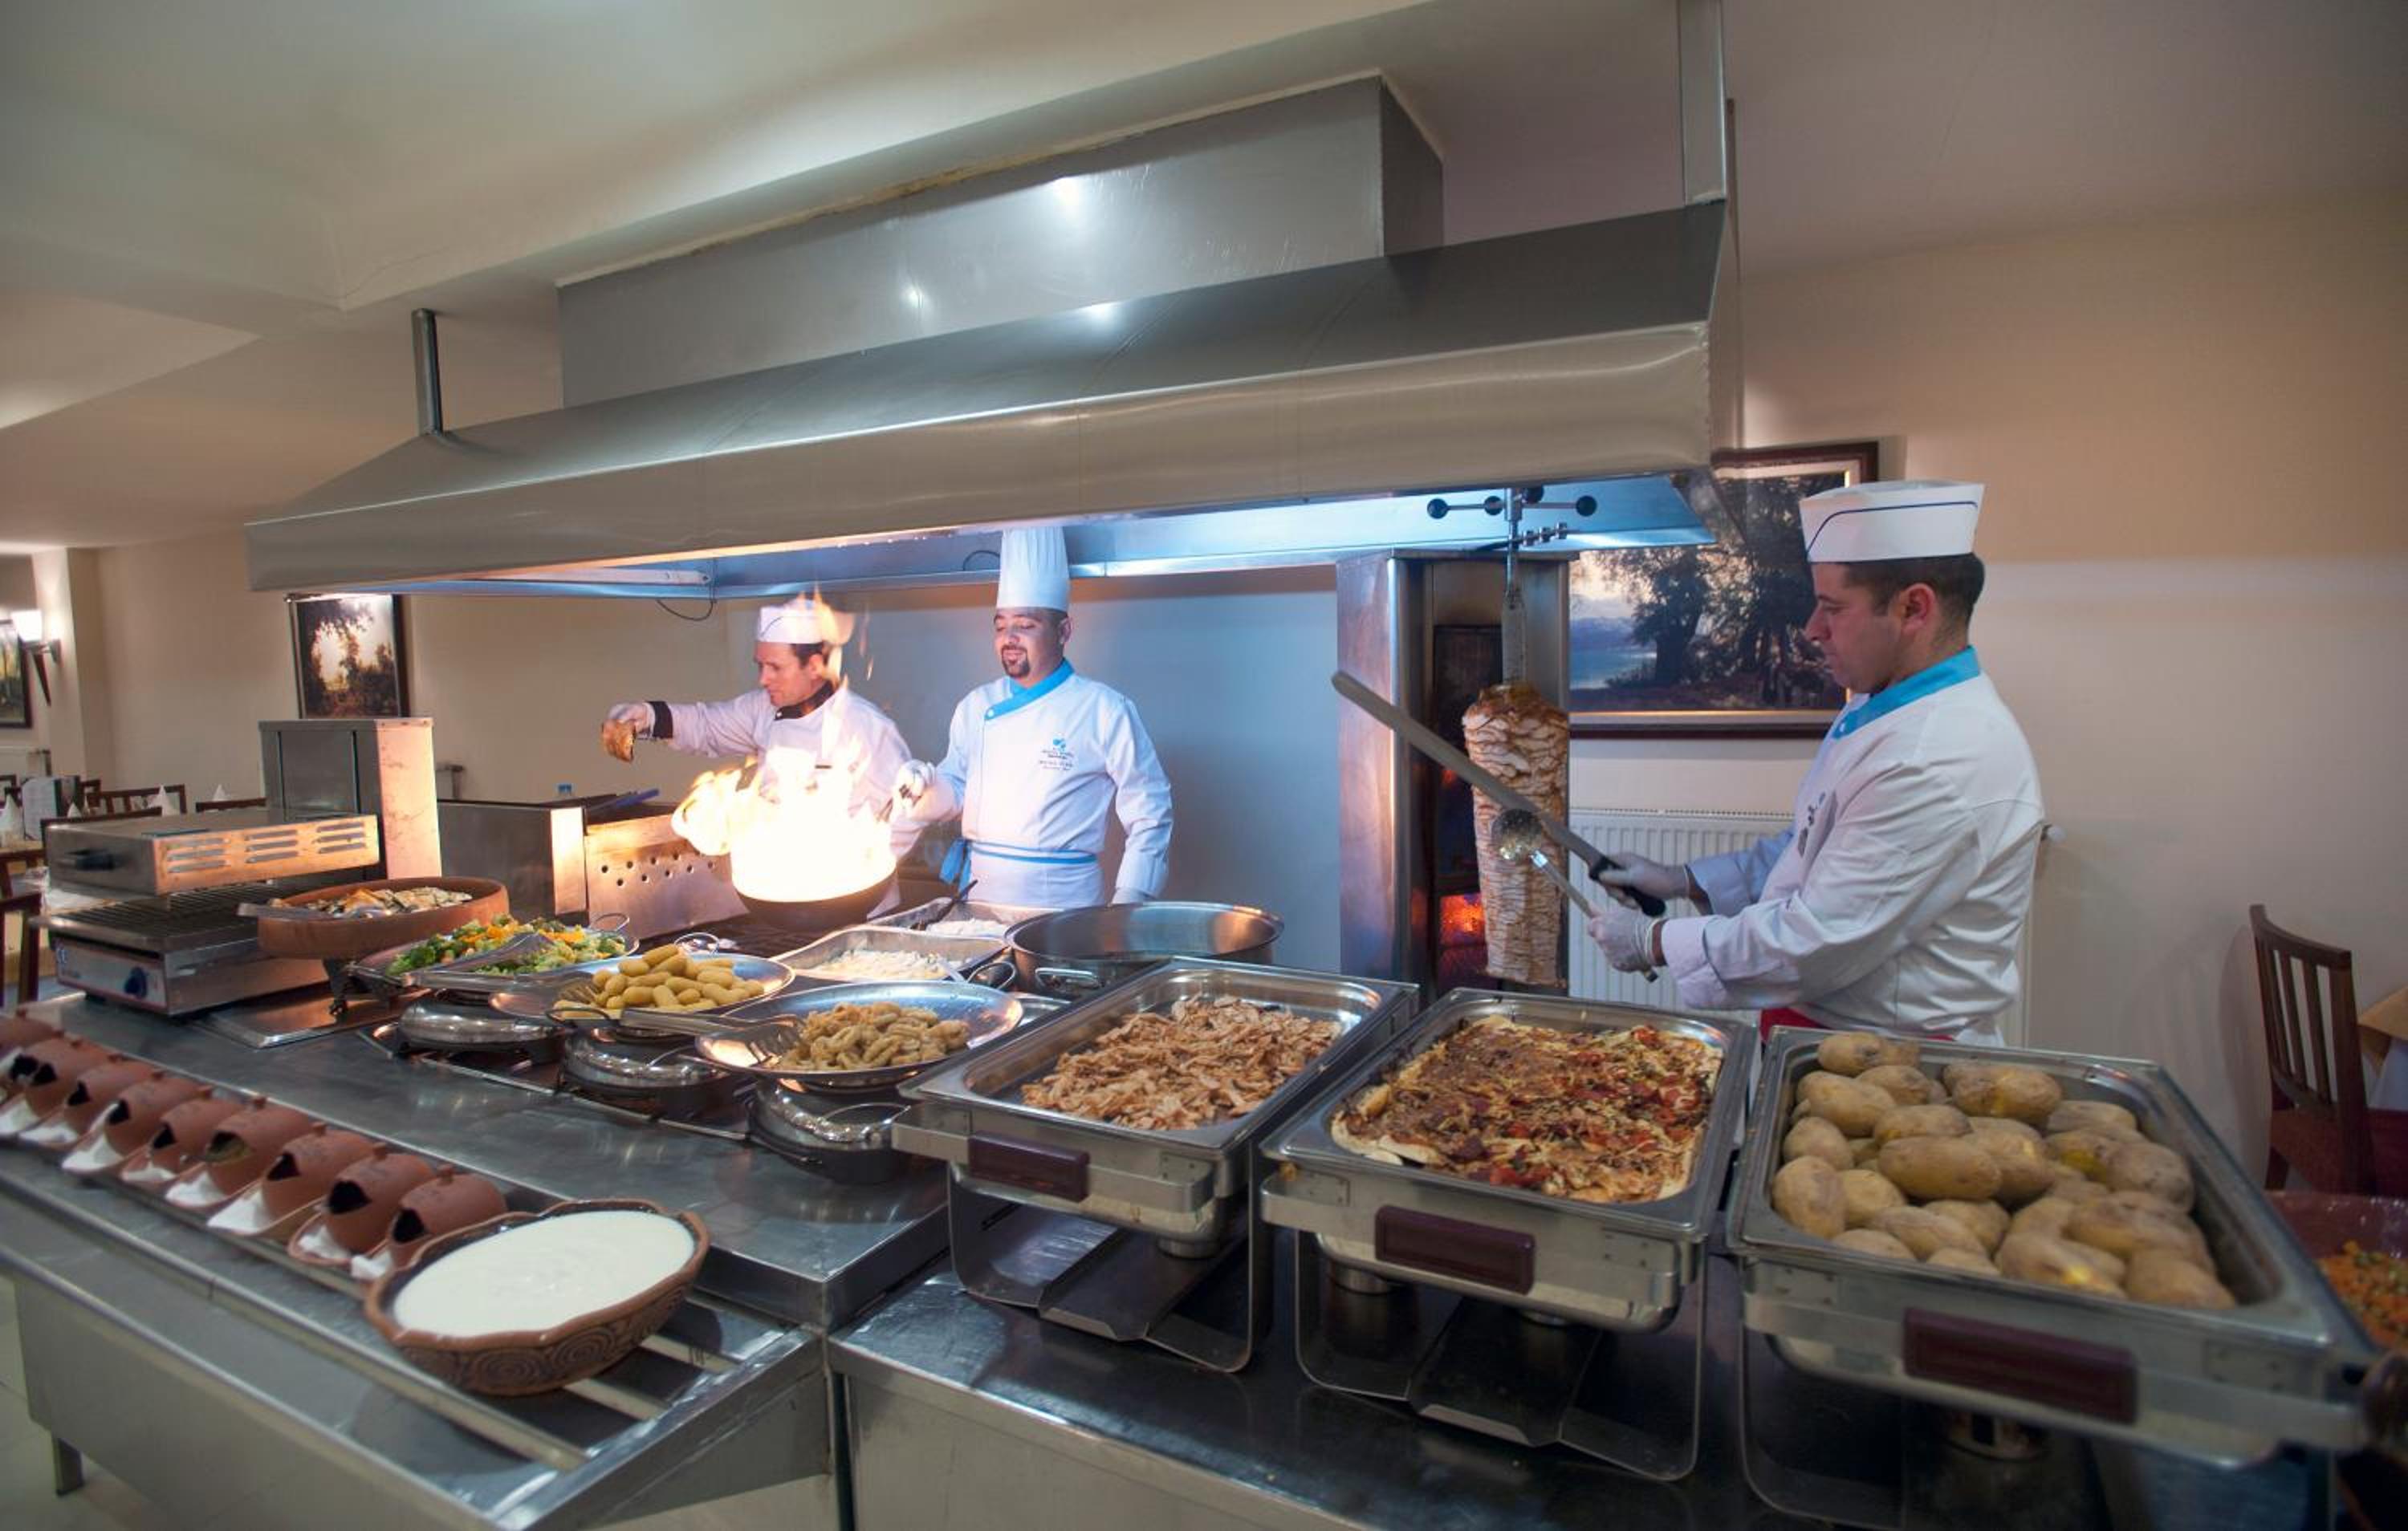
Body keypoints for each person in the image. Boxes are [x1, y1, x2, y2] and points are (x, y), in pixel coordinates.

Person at [1585, 481, 2044, 1046]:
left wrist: (1652, 940)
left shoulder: (1935, 757)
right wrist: (1683, 880)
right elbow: (1810, 848)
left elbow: (1817, 940)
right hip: (1827, 1033)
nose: (1812, 629)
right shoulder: (1881, 708)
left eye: (1833, 608)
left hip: (1889, 1059)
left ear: (1914, 608)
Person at [890, 526, 1173, 909]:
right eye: (1001, 626)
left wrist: (1128, 899)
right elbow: (957, 790)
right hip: (978, 899)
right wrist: (924, 787)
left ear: (1064, 631)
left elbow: (1151, 809)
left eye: (1025, 626)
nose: (1009, 638)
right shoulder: (976, 705)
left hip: (1063, 907)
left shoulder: (1105, 710)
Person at [602, 595, 913, 847]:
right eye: (760, 666)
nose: (763, 679)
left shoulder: (867, 728)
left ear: (815, 666)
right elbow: (706, 725)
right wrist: (649, 716)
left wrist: (855, 861)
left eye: (775, 667)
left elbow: (906, 820)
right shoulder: (762, 709)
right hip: (778, 885)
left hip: (853, 894)